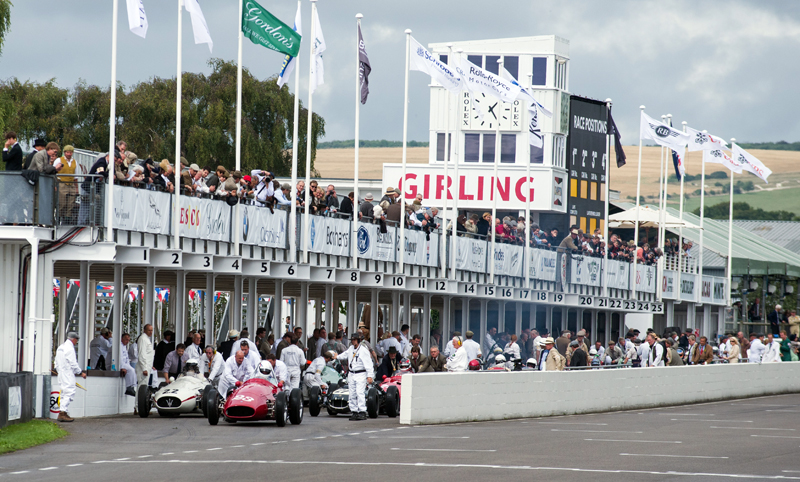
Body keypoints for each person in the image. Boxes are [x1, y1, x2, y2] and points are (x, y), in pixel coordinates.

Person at [336, 333, 374, 421]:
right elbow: (345, 354)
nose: (352, 341)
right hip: (352, 373)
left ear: (358, 340)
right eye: (352, 340)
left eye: (354, 340)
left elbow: (368, 363)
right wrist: (337, 357)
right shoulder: (351, 348)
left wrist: (370, 375)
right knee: (352, 393)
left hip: (360, 373)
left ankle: (362, 411)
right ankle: (354, 411)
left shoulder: (363, 350)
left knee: (359, 392)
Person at [54, 332, 86, 422]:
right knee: (69, 392)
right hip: (67, 373)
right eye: (77, 340)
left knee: (64, 392)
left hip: (61, 372)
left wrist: (58, 370)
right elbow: (73, 362)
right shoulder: (70, 348)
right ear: (74, 339)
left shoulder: (61, 347)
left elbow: (56, 361)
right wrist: (80, 372)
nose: (77, 342)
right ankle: (62, 412)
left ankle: (63, 411)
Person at [134, 324, 156, 415]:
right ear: (144, 330)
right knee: (141, 388)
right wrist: (144, 368)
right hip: (143, 367)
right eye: (149, 330)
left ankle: (139, 407)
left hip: (147, 366)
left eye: (151, 330)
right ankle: (138, 407)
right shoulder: (143, 339)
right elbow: (142, 355)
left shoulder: (147, 339)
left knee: (143, 387)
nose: (150, 332)